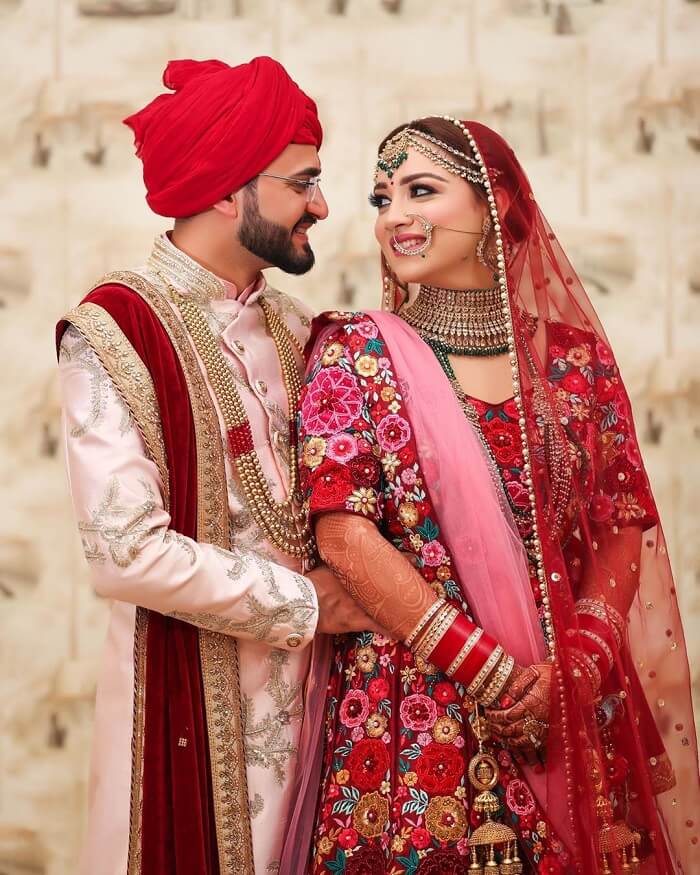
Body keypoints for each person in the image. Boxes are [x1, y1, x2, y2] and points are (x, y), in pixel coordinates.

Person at [283, 117, 700, 874]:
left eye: (421, 190)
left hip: (571, 701)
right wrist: (494, 674)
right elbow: (345, 535)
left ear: (496, 203)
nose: (395, 216)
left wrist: (573, 670)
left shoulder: (575, 363)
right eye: (383, 198)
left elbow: (620, 524)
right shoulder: (352, 349)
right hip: (413, 716)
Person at [55, 56, 378, 875]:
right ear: (230, 188)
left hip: (322, 709)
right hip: (186, 708)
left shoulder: (302, 330)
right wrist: (309, 601)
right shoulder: (116, 328)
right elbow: (124, 549)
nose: (322, 205)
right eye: (302, 181)